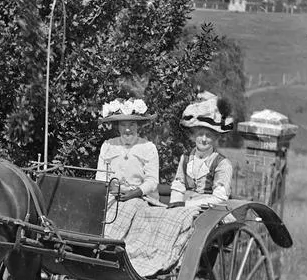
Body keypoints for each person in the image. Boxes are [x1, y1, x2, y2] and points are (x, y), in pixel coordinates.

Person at [94, 97, 159, 239]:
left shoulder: (148, 147)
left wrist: (134, 193)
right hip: (112, 195)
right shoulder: (108, 145)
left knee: (127, 208)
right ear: (117, 126)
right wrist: (112, 188)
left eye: (132, 124)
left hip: (140, 197)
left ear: (138, 126)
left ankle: (110, 242)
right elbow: (101, 176)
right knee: (93, 207)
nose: (128, 129)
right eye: (123, 125)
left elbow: (152, 181)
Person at [168, 91, 234, 209]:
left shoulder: (222, 163)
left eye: (208, 135)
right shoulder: (186, 158)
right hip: (183, 208)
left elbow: (219, 198)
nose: (203, 139)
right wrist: (175, 205)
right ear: (193, 135)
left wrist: (187, 205)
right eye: (200, 134)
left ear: (216, 137)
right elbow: (178, 186)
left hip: (208, 211)